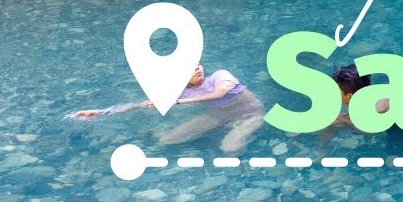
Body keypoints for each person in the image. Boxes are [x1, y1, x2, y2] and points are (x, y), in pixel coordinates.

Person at [70, 64, 265, 155]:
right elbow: (141, 105)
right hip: (218, 116)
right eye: (189, 66)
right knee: (167, 140)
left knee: (229, 148)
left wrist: (178, 101)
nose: (197, 68)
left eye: (198, 64)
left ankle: (246, 144)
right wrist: (101, 112)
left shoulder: (220, 75)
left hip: (250, 114)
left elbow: (220, 94)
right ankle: (214, 135)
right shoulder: (181, 93)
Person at [325, 64, 403, 157]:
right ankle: (321, 153)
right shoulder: (363, 100)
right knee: (331, 124)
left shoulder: (379, 105)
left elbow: (373, 129)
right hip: (392, 121)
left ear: (349, 96)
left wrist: (349, 122)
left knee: (393, 166)